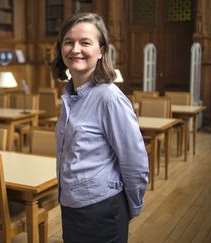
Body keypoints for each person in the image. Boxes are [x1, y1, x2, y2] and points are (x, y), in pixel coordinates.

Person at [51, 12, 149, 243]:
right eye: (68, 42)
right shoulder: (70, 95)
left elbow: (135, 161)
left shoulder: (109, 97)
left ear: (101, 50)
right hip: (71, 206)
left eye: (85, 42)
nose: (76, 49)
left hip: (102, 209)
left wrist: (131, 207)